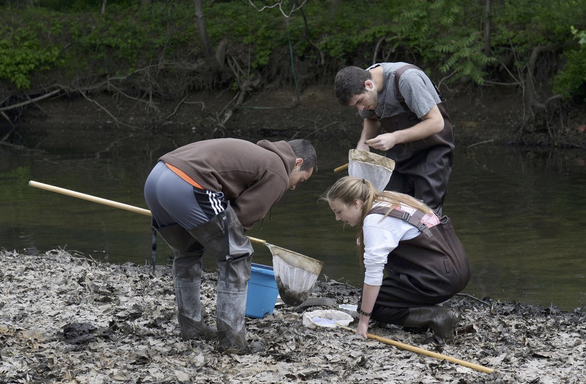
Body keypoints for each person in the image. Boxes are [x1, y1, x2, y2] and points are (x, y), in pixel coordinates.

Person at [144, 138, 317, 354]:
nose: (292, 187)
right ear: (298, 162)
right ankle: (232, 341)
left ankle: (191, 328)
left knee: (188, 252)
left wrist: (216, 236)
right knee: (238, 256)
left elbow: (227, 220)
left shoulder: (257, 153)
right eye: (300, 180)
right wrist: (229, 243)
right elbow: (241, 219)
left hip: (156, 178)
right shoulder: (278, 170)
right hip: (189, 182)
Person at [322, 176, 470, 344]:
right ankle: (420, 319)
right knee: (382, 295)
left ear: (356, 203)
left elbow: (373, 275)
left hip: (439, 278)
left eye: (339, 211)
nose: (337, 218)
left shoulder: (374, 221)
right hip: (458, 269)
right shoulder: (388, 197)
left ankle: (436, 316)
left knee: (372, 305)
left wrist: (364, 321)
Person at [334, 63, 455, 215]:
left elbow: (436, 123)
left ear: (369, 84)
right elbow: (372, 118)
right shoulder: (362, 83)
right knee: (389, 209)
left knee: (424, 215)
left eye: (359, 102)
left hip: (432, 150)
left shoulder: (407, 79)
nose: (361, 109)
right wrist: (363, 144)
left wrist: (394, 137)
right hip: (400, 152)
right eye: (355, 106)